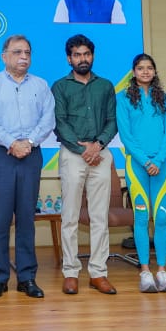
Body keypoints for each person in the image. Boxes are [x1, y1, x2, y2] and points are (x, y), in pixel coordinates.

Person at [0, 35, 56, 299]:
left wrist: (29, 143)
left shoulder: (41, 85)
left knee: (26, 218)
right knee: (0, 219)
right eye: (17, 52)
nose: (24, 57)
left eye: (27, 52)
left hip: (31, 155)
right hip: (0, 154)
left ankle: (27, 277)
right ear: (4, 56)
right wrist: (12, 143)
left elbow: (48, 120)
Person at [51, 34, 118, 295]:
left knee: (99, 217)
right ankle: (70, 272)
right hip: (72, 155)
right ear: (69, 59)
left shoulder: (105, 86)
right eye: (77, 55)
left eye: (86, 54)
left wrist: (97, 145)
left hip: (100, 155)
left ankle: (98, 272)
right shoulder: (60, 87)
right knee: (70, 216)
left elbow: (112, 121)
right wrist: (83, 149)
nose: (83, 59)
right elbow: (60, 122)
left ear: (93, 56)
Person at [116, 53, 166, 293]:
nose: (145, 72)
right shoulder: (123, 98)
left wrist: (158, 160)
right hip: (137, 166)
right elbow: (126, 135)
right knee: (141, 217)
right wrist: (145, 161)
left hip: (161, 166)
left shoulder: (165, 99)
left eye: (149, 68)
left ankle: (161, 271)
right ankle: (145, 272)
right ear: (134, 72)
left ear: (154, 71)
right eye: (140, 68)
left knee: (160, 218)